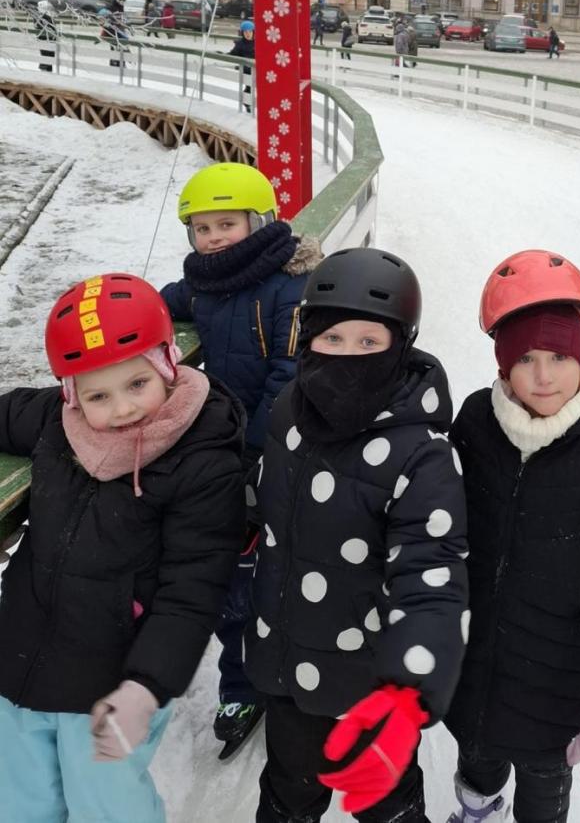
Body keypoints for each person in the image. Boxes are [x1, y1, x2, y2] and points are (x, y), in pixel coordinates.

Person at [0, 273, 244, 823]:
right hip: (20, 660)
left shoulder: (201, 458)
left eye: (138, 384)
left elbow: (193, 589)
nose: (123, 408)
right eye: (98, 396)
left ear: (166, 366)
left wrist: (147, 685)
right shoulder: (56, 421)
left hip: (114, 675)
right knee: (22, 804)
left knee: (106, 806)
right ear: (71, 395)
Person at [246, 247, 468, 823]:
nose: (348, 357)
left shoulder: (421, 456)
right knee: (287, 794)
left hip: (371, 689)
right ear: (308, 339)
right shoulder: (290, 410)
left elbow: (432, 580)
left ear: (400, 347)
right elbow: (262, 497)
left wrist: (406, 699)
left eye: (369, 343)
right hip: (287, 667)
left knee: (388, 807)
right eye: (333, 339)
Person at [446, 250, 580, 823]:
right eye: (526, 359)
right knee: (478, 760)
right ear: (501, 365)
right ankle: (476, 812)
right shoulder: (475, 424)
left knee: (544, 784)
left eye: (560, 356)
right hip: (477, 660)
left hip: (559, 677)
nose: (543, 376)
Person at [160, 163, 321, 758]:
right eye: (202, 228)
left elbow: (288, 375)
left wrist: (251, 454)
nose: (214, 238)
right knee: (228, 574)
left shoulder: (289, 285)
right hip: (224, 452)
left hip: (272, 453)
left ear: (259, 222)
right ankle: (243, 679)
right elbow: (164, 304)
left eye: (227, 224)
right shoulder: (204, 282)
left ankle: (262, 676)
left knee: (258, 574)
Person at [227, 18, 255, 113]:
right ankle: (247, 103)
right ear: (242, 33)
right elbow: (232, 54)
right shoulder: (240, 44)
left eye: (250, 31)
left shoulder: (257, 42)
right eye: (246, 32)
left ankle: (249, 102)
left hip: (257, 69)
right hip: (246, 69)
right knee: (250, 86)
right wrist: (223, 54)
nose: (248, 34)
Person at [34, 0, 58, 72]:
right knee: (46, 55)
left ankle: (47, 69)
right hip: (45, 39)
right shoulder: (41, 17)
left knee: (49, 55)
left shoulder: (45, 16)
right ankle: (45, 69)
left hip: (49, 39)